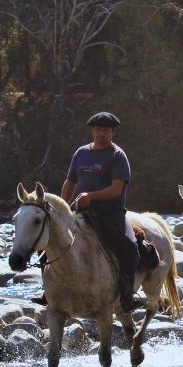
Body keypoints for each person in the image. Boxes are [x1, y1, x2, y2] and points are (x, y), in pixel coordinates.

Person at [61, 111, 143, 313]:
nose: (101, 133)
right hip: (81, 210)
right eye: (98, 129)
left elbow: (117, 188)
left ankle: (126, 296)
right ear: (92, 130)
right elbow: (70, 181)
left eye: (106, 130)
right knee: (54, 238)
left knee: (130, 248)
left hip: (110, 213)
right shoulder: (81, 153)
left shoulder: (117, 155)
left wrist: (92, 196)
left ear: (113, 133)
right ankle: (50, 291)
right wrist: (61, 207)